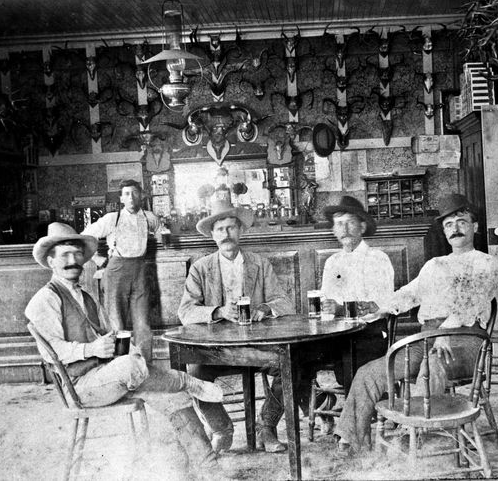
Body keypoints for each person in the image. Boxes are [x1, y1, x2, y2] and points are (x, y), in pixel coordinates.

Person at [25, 222, 225, 473]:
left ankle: (209, 467)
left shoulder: (85, 295)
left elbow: (110, 334)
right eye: (65, 254)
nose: (73, 260)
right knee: (131, 367)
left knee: (170, 393)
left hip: (107, 376)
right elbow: (51, 352)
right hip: (80, 387)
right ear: (51, 261)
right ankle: (185, 380)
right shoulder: (45, 299)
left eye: (77, 254)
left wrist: (129, 349)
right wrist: (93, 350)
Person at [332, 194, 498, 454]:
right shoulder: (435, 265)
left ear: (475, 227)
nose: (455, 229)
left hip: (465, 341)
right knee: (372, 371)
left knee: (431, 362)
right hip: (427, 338)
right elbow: (410, 293)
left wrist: (446, 331)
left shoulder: (486, 263)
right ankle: (350, 438)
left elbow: (471, 302)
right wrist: (380, 310)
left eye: (461, 222)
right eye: (449, 225)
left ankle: (415, 429)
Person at [178, 198, 300, 454]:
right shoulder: (200, 268)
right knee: (195, 373)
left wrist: (265, 308)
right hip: (216, 351)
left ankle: (266, 425)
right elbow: (185, 312)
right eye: (220, 229)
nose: (226, 234)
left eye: (232, 228)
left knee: (289, 364)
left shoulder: (259, 263)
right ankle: (222, 428)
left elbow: (285, 302)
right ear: (212, 235)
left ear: (241, 231)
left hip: (257, 348)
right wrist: (217, 311)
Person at [318, 196, 395, 430]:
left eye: (350, 222)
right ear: (333, 230)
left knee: (352, 362)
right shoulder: (332, 262)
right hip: (336, 332)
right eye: (338, 224)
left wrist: (343, 308)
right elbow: (326, 299)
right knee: (297, 359)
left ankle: (357, 421)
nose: (344, 229)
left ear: (362, 226)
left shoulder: (377, 259)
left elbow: (381, 305)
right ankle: (325, 404)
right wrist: (328, 307)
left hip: (369, 331)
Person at [82, 179, 161, 362]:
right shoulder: (113, 218)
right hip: (116, 271)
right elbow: (85, 236)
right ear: (121, 198)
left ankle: (144, 366)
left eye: (134, 193)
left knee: (143, 324)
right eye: (126, 194)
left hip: (141, 271)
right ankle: (120, 366)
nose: (131, 198)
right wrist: (96, 258)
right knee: (117, 324)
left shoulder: (150, 218)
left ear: (141, 195)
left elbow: (161, 232)